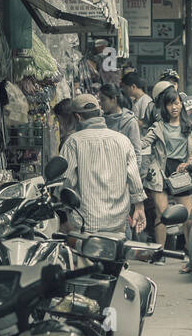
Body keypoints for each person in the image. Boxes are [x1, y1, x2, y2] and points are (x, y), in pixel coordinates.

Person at [59, 93, 148, 241]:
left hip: (85, 223)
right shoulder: (122, 141)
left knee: (82, 261)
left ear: (78, 117)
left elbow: (66, 182)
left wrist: (63, 210)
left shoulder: (73, 142)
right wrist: (139, 207)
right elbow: (134, 177)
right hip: (117, 222)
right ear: (100, 113)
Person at [142, 83, 192, 250]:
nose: (174, 107)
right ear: (165, 106)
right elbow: (143, 143)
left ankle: (190, 253)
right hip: (160, 172)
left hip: (181, 172)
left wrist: (188, 163)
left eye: (177, 103)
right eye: (170, 103)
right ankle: (160, 252)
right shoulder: (159, 126)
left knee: (188, 216)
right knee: (162, 215)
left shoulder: (188, 126)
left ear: (182, 104)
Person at [99, 83, 142, 169]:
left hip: (123, 172)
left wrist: (131, 178)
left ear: (114, 99)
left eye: (103, 100)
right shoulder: (100, 121)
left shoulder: (129, 122)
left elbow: (136, 153)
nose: (100, 104)